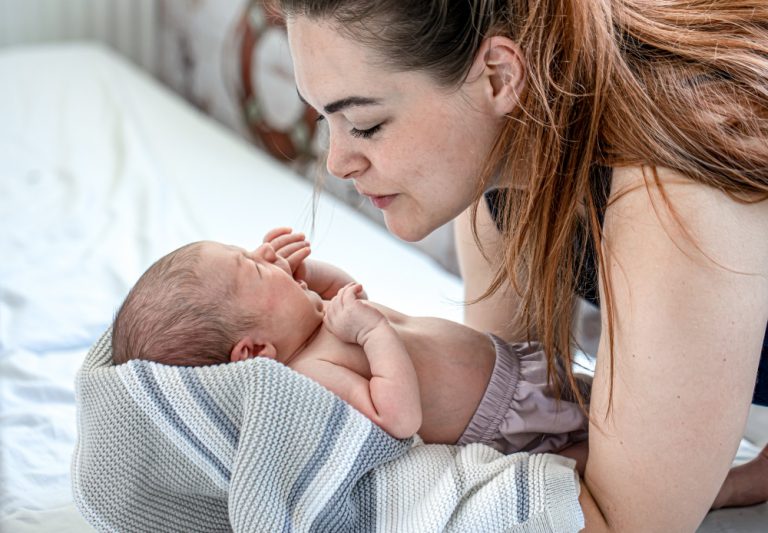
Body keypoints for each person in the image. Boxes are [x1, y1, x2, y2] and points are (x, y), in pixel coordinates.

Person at [273, 0, 768, 528]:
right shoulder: (502, 167)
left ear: (497, 75)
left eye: (365, 124)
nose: (336, 162)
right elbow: (510, 411)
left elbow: (617, 523)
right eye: (324, 117)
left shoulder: (675, 191)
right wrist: (363, 345)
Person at [112, 228, 591, 461]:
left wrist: (309, 277)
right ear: (255, 352)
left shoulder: (314, 321)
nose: (263, 252)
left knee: (619, 409)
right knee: (605, 461)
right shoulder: (311, 374)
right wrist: (371, 333)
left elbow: (353, 295)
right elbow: (396, 417)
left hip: (517, 373)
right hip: (505, 426)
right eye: (255, 268)